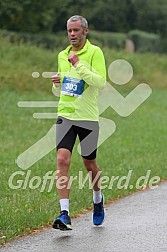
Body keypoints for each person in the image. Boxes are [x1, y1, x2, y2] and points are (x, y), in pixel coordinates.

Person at [52, 15, 106, 230]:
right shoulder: (61, 55)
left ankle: (98, 198)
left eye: (76, 30)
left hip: (88, 117)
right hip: (65, 115)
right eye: (69, 31)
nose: (72, 34)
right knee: (62, 160)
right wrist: (57, 83)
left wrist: (79, 64)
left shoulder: (94, 52)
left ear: (85, 31)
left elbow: (100, 82)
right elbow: (64, 90)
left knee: (89, 163)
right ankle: (64, 213)